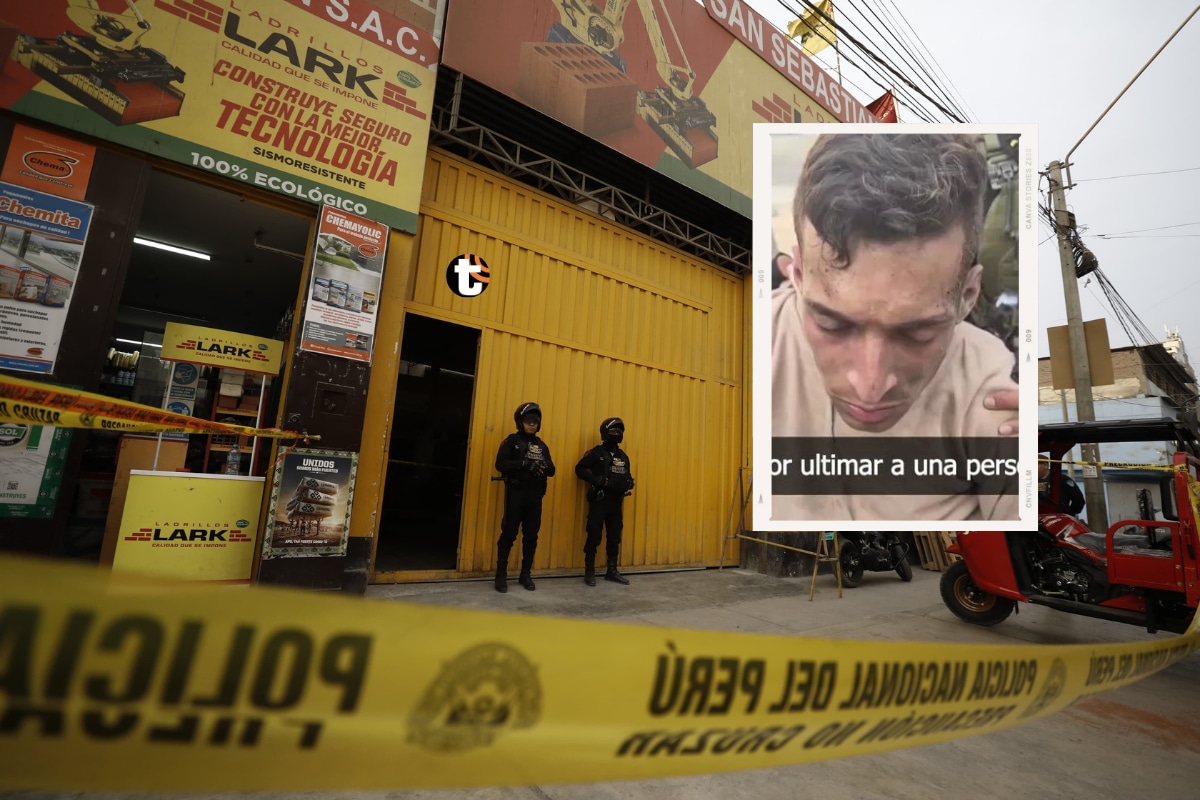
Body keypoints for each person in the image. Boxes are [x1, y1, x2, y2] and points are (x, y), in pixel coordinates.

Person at [772, 133, 1020, 522]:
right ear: (798, 274)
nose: (870, 386)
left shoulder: (993, 396)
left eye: (916, 333)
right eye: (831, 323)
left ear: (969, 295)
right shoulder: (745, 347)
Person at [494, 402, 556, 592]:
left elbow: (552, 469)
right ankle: (501, 576)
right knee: (509, 534)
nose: (532, 424)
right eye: (528, 420)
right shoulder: (512, 441)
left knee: (531, 536)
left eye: (535, 421)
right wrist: (523, 463)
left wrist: (544, 466)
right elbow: (500, 464)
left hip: (535, 497)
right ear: (520, 422)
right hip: (516, 495)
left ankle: (525, 575)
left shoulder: (541, 445)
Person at [575, 417, 635, 586]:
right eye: (613, 431)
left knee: (614, 537)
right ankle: (590, 571)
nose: (616, 434)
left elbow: (627, 475)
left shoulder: (623, 456)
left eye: (619, 432)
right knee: (594, 536)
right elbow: (579, 469)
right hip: (599, 501)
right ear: (605, 433)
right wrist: (597, 480)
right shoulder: (596, 453)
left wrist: (629, 481)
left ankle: (612, 571)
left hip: (616, 503)